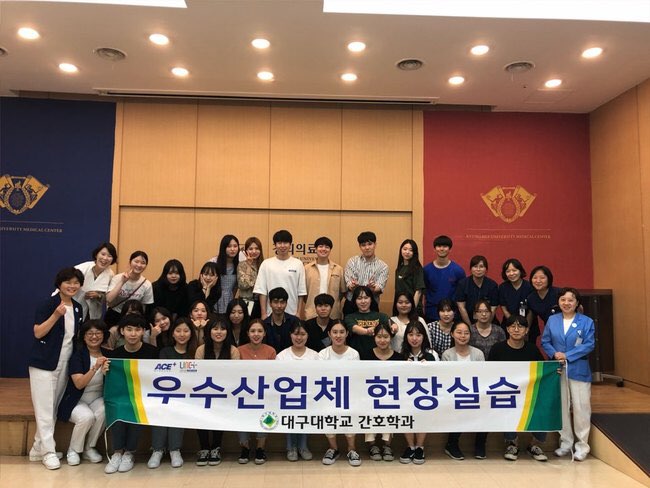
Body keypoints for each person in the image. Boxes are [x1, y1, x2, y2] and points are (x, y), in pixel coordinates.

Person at [29, 267, 85, 470]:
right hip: (44, 363)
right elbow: (38, 333)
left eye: (76, 283)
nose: (72, 286)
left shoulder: (78, 307)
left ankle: (38, 448)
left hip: (65, 362)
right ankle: (49, 452)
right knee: (44, 408)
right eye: (68, 282)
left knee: (52, 407)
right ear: (59, 284)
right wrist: (55, 315)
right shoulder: (48, 304)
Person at [541, 288, 595, 461]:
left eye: (570, 300)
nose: (566, 303)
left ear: (577, 303)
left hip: (578, 369)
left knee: (581, 408)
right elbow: (545, 341)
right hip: (558, 369)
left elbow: (589, 344)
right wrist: (555, 354)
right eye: (563, 300)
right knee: (562, 407)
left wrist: (567, 355)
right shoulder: (553, 320)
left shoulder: (586, 321)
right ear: (558, 302)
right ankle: (565, 443)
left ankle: (582, 446)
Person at [104, 314, 159, 474]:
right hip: (121, 396)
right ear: (122, 331)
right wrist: (105, 371)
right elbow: (110, 382)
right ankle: (117, 452)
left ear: (143, 332)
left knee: (136, 407)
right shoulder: (115, 355)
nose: (133, 334)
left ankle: (129, 453)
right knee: (117, 406)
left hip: (144, 396)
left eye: (137, 329)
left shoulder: (152, 353)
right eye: (129, 329)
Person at [488, 315, 548, 462]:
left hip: (528, 393)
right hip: (505, 392)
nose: (516, 330)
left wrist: (555, 370)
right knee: (505, 404)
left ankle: (534, 445)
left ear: (526, 330)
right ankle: (512, 444)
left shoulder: (532, 349)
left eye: (520, 326)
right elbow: (489, 372)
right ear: (507, 329)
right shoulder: (497, 349)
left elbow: (543, 369)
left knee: (544, 404)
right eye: (512, 326)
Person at [147, 317, 198, 469]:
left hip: (188, 396)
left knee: (178, 409)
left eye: (186, 331)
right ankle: (157, 449)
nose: (182, 334)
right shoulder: (165, 352)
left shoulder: (195, 352)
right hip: (166, 394)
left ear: (191, 333)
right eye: (178, 331)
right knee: (160, 408)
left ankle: (175, 450)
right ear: (173, 333)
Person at [57, 319, 109, 466]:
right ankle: (73, 450)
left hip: (97, 398)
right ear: (84, 337)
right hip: (76, 400)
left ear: (104, 335)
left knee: (105, 410)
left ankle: (89, 448)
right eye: (90, 333)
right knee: (86, 417)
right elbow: (79, 384)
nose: (94, 337)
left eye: (98, 333)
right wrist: (95, 368)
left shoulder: (109, 354)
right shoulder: (77, 356)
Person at [194, 316, 240, 465]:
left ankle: (216, 447)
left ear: (228, 332)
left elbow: (235, 375)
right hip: (204, 392)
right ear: (209, 331)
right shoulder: (201, 350)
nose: (219, 332)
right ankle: (204, 448)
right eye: (215, 328)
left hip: (225, 394)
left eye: (222, 329)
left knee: (220, 409)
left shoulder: (233, 351)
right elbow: (198, 374)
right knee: (199, 409)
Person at [318, 321, 361, 466]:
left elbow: (355, 377)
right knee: (327, 415)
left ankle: (352, 449)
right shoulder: (322, 354)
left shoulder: (354, 354)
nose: (338, 335)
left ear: (347, 334)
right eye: (335, 332)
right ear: (329, 334)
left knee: (350, 416)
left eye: (342, 332)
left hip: (348, 394)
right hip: (328, 394)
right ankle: (333, 448)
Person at [442, 321, 486, 461]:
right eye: (459, 332)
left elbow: (483, 376)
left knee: (487, 408)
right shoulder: (447, 354)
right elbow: (446, 379)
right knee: (459, 406)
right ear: (452, 334)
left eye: (466, 333)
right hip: (454, 395)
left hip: (476, 394)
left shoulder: (478, 354)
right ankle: (452, 444)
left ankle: (480, 445)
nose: (463, 336)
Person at [276, 322, 320, 461]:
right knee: (290, 419)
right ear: (290, 335)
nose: (299, 338)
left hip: (309, 396)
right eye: (296, 334)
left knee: (305, 418)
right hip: (288, 397)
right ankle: (291, 447)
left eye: (302, 334)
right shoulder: (282, 356)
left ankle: (303, 446)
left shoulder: (315, 356)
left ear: (307, 335)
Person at [237, 319, 276, 464]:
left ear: (264, 333)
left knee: (267, 413)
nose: (256, 334)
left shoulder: (271, 351)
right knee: (241, 414)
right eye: (253, 331)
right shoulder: (238, 350)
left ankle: (260, 448)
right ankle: (245, 448)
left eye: (260, 331)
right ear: (247, 333)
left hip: (264, 393)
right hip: (244, 392)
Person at [398, 321, 437, 465]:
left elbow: (438, 375)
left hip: (425, 395)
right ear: (406, 337)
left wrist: (428, 368)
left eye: (418, 335)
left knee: (423, 415)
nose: (414, 338)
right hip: (405, 395)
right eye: (411, 334)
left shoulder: (431, 355)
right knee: (405, 416)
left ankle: (420, 447)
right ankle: (410, 446)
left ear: (424, 337)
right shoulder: (400, 355)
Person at [361, 322, 400, 462]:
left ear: (391, 337)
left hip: (391, 397)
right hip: (369, 397)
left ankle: (387, 445)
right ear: (374, 337)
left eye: (386, 336)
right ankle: (372, 446)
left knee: (391, 408)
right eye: (379, 336)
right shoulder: (365, 356)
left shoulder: (399, 358)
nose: (382, 340)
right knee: (368, 409)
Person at [254, 230, 307, 319]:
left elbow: (301, 291)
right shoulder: (266, 264)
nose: (282, 246)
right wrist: (263, 314)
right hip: (270, 314)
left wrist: (298, 313)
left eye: (285, 243)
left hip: (292, 313)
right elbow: (262, 291)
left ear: (290, 244)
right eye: (279, 243)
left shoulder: (298, 264)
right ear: (275, 245)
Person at [343, 231, 389, 314]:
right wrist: (353, 286)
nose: (367, 247)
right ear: (360, 246)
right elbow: (349, 284)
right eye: (363, 245)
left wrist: (373, 288)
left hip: (372, 305)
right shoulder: (352, 261)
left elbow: (380, 287)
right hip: (351, 303)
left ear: (375, 244)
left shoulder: (383, 266)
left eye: (370, 244)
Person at [69, 242, 117, 320]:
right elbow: (65, 285)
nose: (105, 258)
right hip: (74, 308)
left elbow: (108, 297)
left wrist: (98, 295)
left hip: (93, 313)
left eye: (109, 256)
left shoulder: (110, 274)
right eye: (103, 254)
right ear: (96, 255)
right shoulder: (82, 268)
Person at [422, 235, 465, 322]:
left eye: (445, 246)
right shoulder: (426, 270)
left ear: (450, 249)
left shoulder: (458, 271)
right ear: (434, 249)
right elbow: (423, 293)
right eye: (439, 246)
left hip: (452, 315)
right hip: (431, 314)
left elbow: (462, 295)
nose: (442, 249)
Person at [105, 250, 154, 326]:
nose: (139, 265)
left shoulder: (147, 284)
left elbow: (144, 308)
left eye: (143, 263)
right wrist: (122, 282)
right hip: (114, 315)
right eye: (136, 261)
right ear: (130, 262)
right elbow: (108, 299)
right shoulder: (117, 278)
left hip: (134, 319)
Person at [303, 236, 346, 320]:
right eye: (320, 246)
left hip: (333, 313)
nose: (323, 249)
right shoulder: (306, 268)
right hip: (311, 312)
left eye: (327, 247)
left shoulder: (338, 269)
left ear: (330, 250)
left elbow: (342, 293)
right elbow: (304, 293)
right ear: (315, 249)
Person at [344, 285, 390, 359]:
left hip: (377, 357)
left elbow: (392, 326)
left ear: (371, 299)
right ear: (355, 300)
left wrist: (394, 327)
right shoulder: (349, 317)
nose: (363, 301)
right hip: (356, 357)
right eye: (359, 298)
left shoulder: (382, 316)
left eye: (366, 298)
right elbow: (354, 328)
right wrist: (368, 331)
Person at [454, 255, 498, 325]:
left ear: (486, 269)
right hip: (467, 320)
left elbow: (493, 308)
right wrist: (470, 327)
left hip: (488, 321)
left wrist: (485, 325)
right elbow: (461, 307)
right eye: (475, 266)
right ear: (470, 269)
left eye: (481, 267)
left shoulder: (492, 285)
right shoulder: (462, 284)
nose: (478, 269)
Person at [527, 265, 561, 347]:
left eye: (542, 278)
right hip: (550, 331)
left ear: (549, 279)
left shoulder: (559, 293)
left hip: (567, 329)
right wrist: (526, 329)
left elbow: (578, 308)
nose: (538, 281)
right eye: (535, 278)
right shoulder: (531, 298)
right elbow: (530, 314)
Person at [262, 287, 300, 353]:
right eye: (275, 302)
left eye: (282, 302)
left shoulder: (294, 321)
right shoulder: (264, 324)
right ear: (270, 303)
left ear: (286, 303)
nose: (279, 306)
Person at [211, 235, 240, 313]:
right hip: (215, 297)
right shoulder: (214, 262)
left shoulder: (239, 264)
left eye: (235, 246)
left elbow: (236, 286)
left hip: (230, 299)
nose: (232, 249)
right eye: (229, 246)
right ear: (223, 248)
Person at [498, 258, 533, 324]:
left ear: (520, 271)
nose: (511, 273)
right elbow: (504, 307)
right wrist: (513, 325)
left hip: (528, 323)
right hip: (509, 323)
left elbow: (531, 311)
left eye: (514, 270)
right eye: (508, 271)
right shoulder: (502, 287)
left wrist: (526, 327)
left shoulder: (529, 287)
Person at [394, 239, 425, 312]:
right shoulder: (399, 268)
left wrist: (412, 309)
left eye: (411, 250)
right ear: (401, 250)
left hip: (413, 308)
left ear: (414, 253)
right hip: (401, 308)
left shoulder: (417, 268)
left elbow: (418, 291)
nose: (407, 252)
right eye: (405, 249)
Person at [237, 237, 264, 318]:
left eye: (257, 248)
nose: (254, 251)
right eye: (250, 249)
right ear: (246, 251)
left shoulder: (264, 264)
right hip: (246, 301)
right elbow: (243, 285)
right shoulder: (242, 265)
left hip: (262, 302)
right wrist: (249, 266)